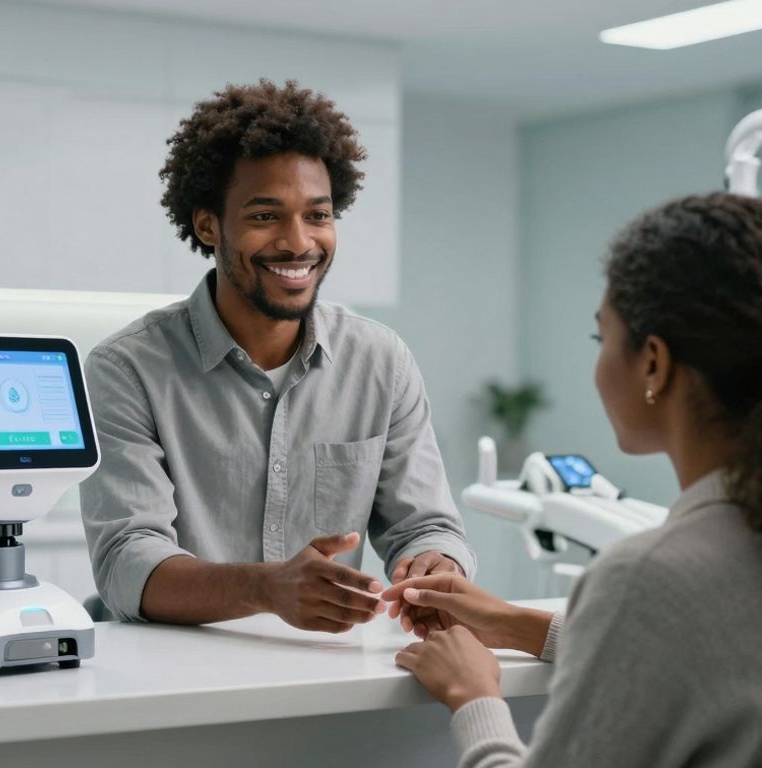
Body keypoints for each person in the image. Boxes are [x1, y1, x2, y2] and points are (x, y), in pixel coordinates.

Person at [384, 192, 762, 766]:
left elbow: (678, 620)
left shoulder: (648, 578)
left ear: (654, 362)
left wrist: (473, 695)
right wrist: (512, 623)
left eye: (602, 338)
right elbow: (719, 652)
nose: (598, 365)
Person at [80, 80, 475, 630]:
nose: (298, 243)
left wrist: (435, 561)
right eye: (266, 217)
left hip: (315, 673)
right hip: (164, 676)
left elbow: (426, 526)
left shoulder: (381, 361)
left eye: (318, 215)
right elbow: (126, 564)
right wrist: (268, 589)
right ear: (208, 224)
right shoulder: (128, 369)